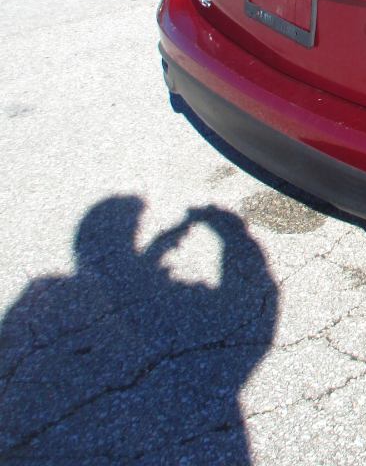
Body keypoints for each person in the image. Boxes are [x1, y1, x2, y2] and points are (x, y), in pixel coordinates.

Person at [0, 196, 277, 463]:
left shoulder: (47, 296)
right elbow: (254, 309)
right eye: (131, 226)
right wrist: (230, 229)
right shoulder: (51, 296)